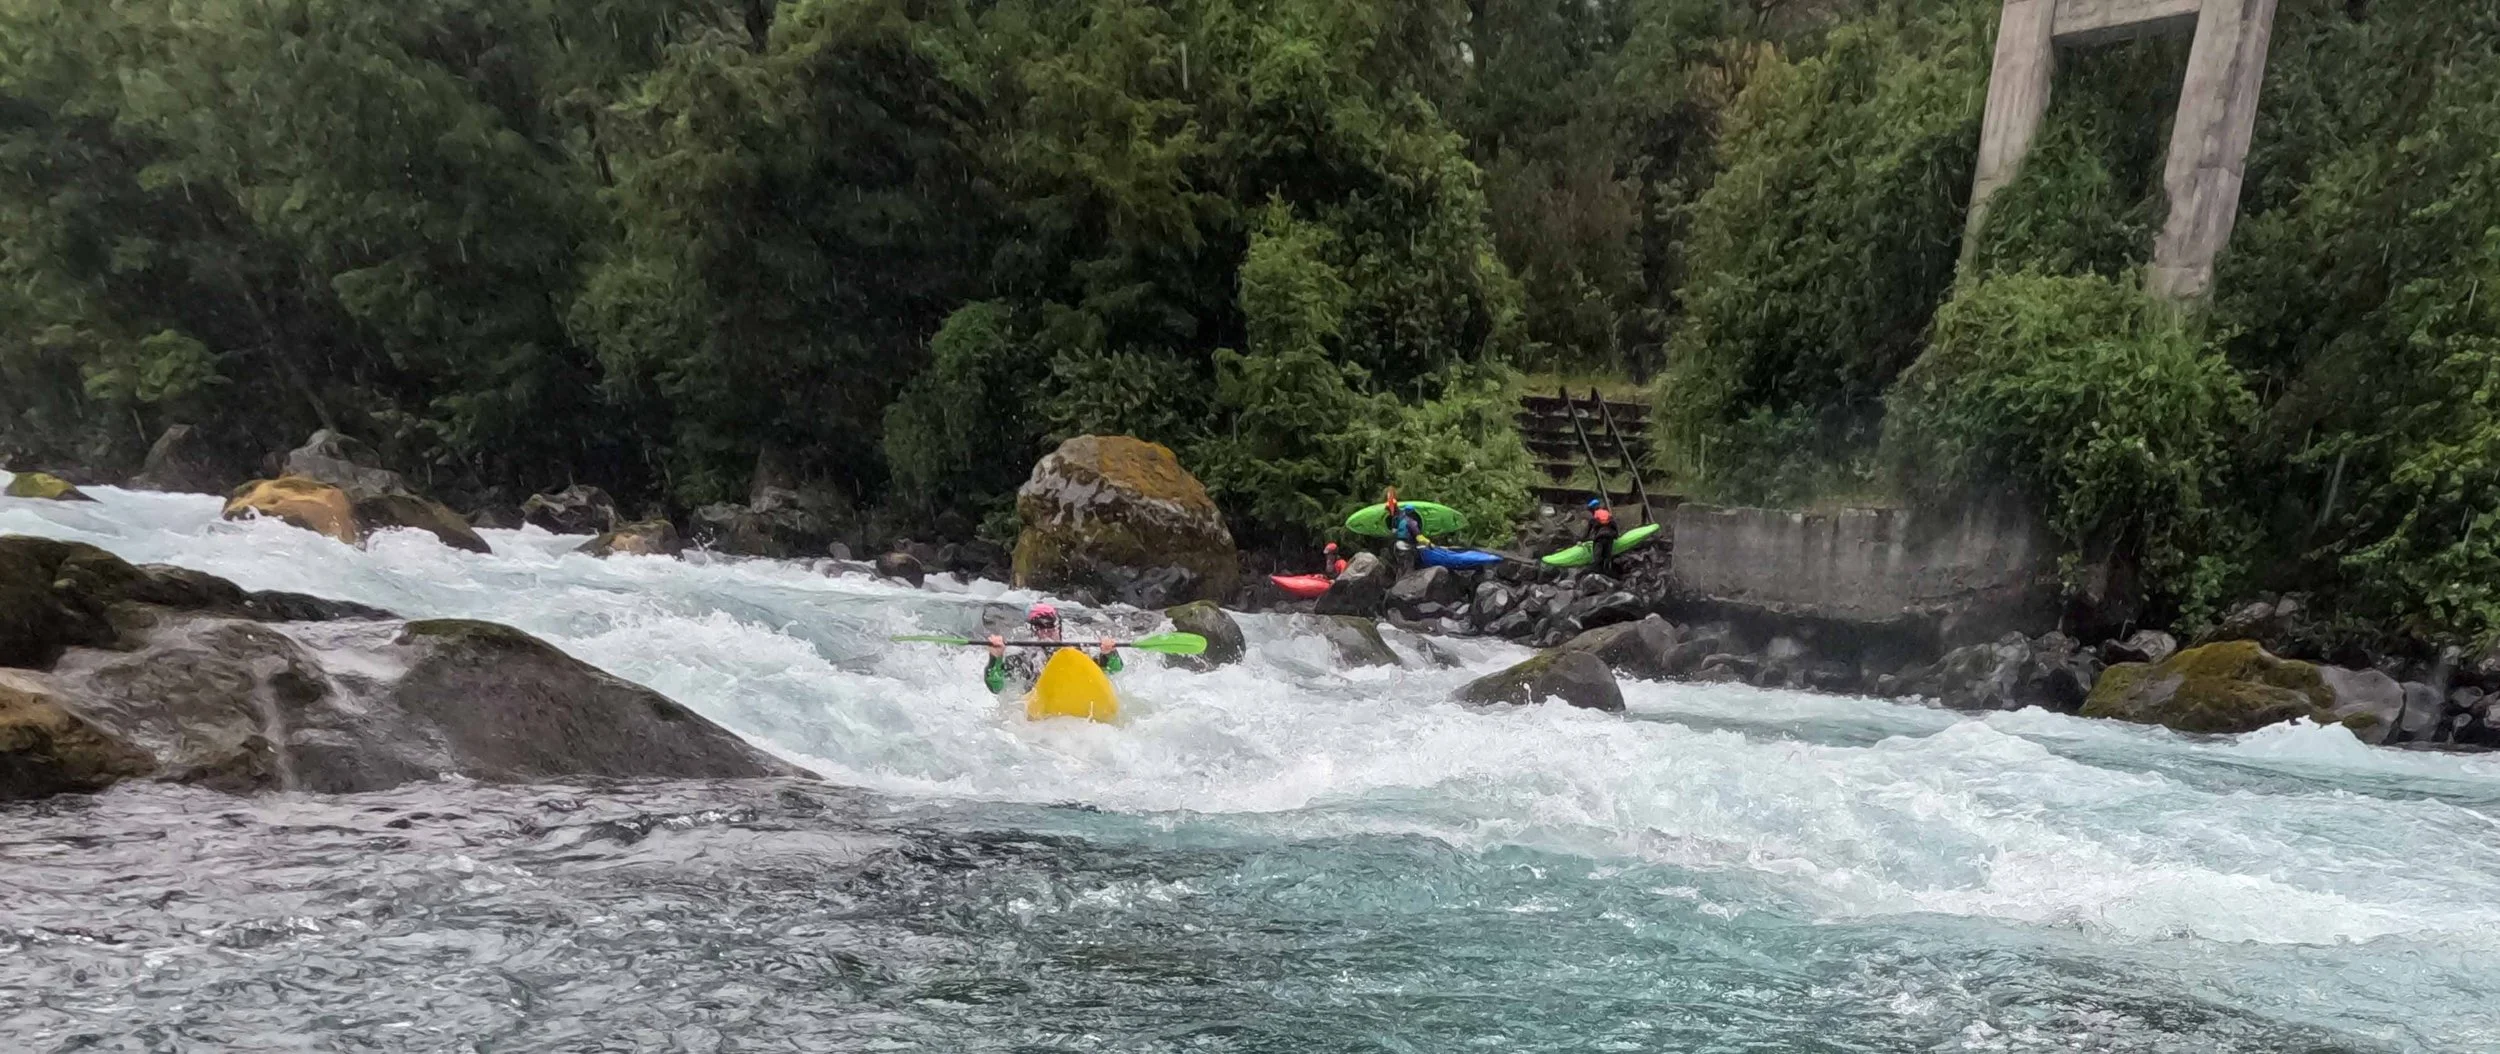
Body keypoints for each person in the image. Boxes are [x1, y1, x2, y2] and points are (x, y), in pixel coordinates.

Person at [984, 602, 1121, 694]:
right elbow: (995, 687)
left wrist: (1109, 653)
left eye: (1050, 627)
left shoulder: (1076, 651)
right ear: (1032, 631)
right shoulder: (1023, 659)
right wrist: (996, 657)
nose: (1045, 633)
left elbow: (1115, 669)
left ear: (1059, 628)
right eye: (1039, 628)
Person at [1383, 488, 1429, 573]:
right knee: (1409, 567)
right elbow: (1419, 537)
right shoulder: (1412, 522)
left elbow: (1393, 532)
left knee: (1400, 567)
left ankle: (1399, 582)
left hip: (1397, 546)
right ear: (1413, 513)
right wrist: (1428, 542)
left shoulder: (1397, 519)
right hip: (1406, 547)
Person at [1585, 498, 1619, 578]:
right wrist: (1617, 535)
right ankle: (1608, 573)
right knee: (1607, 556)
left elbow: (1588, 531)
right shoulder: (1608, 514)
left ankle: (1596, 573)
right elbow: (1614, 525)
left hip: (1599, 538)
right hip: (1610, 537)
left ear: (1592, 509)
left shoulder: (1594, 517)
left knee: (1597, 557)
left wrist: (1582, 540)